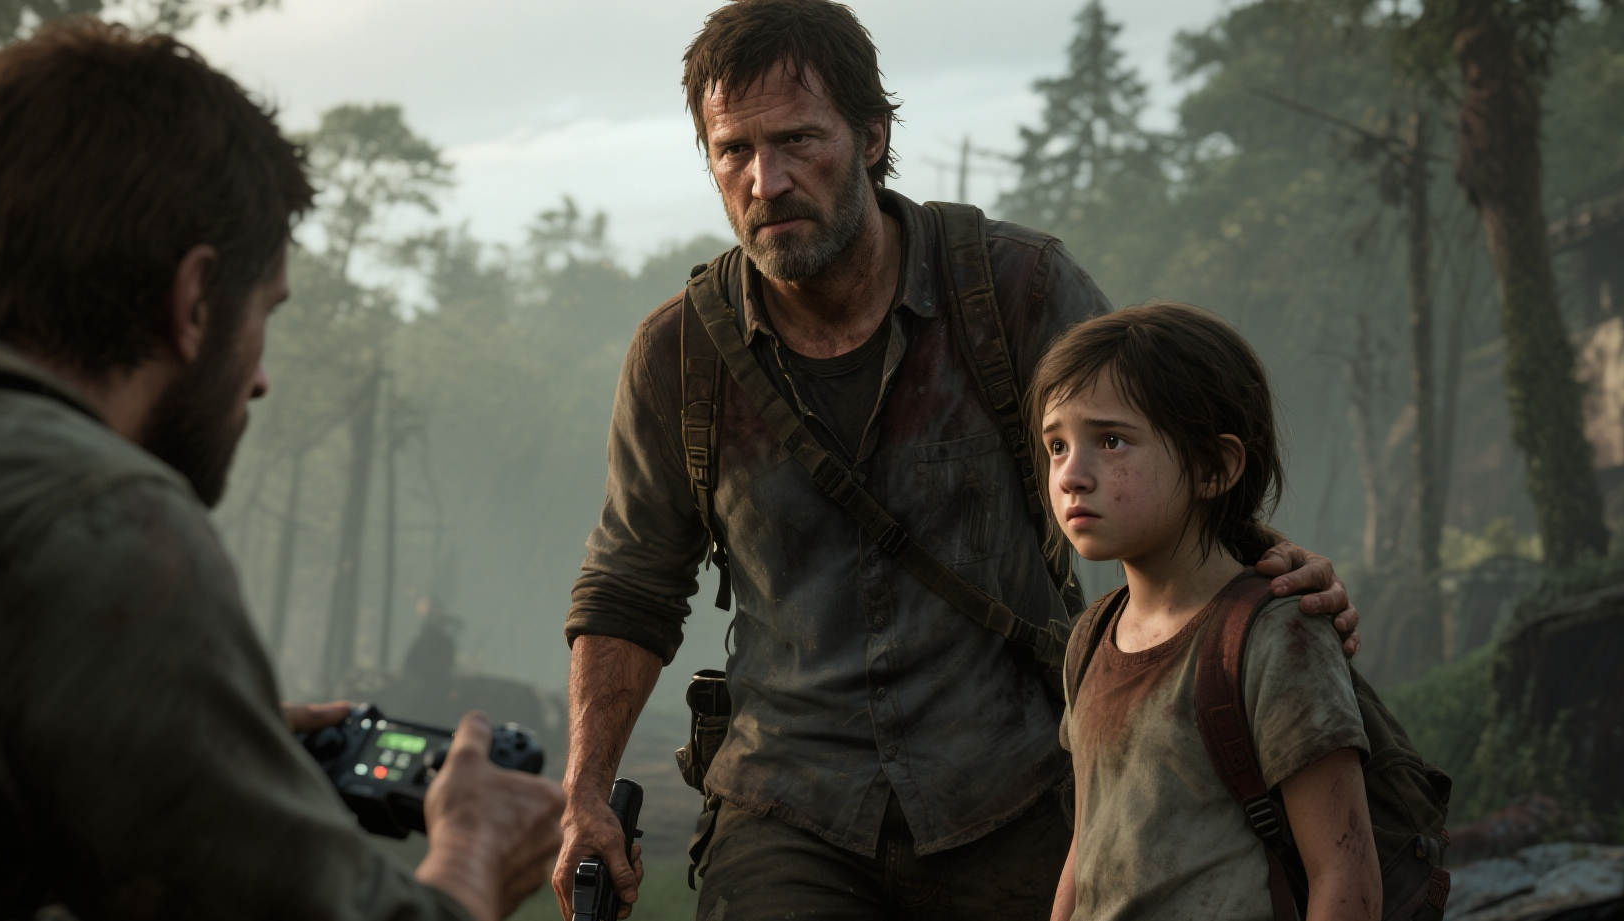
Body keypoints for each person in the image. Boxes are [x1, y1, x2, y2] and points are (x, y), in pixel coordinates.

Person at [0, 21, 561, 921]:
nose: (261, 377)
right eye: (264, 313)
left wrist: (174, 749)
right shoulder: (87, 516)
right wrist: (473, 856)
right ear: (194, 300)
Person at [553, 2, 1359, 918]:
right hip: (789, 805)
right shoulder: (681, 355)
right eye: (733, 150)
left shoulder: (1014, 291)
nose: (766, 181)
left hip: (1016, 784)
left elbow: (1157, 458)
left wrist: (1266, 566)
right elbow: (629, 585)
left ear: (871, 136)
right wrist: (585, 794)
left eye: (798, 139)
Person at [1035, 302, 1380, 921]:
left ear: (1215, 467)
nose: (1071, 476)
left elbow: (1345, 873)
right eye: (1057, 445)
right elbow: (1087, 849)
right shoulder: (1091, 636)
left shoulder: (1275, 634)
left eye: (1110, 441)